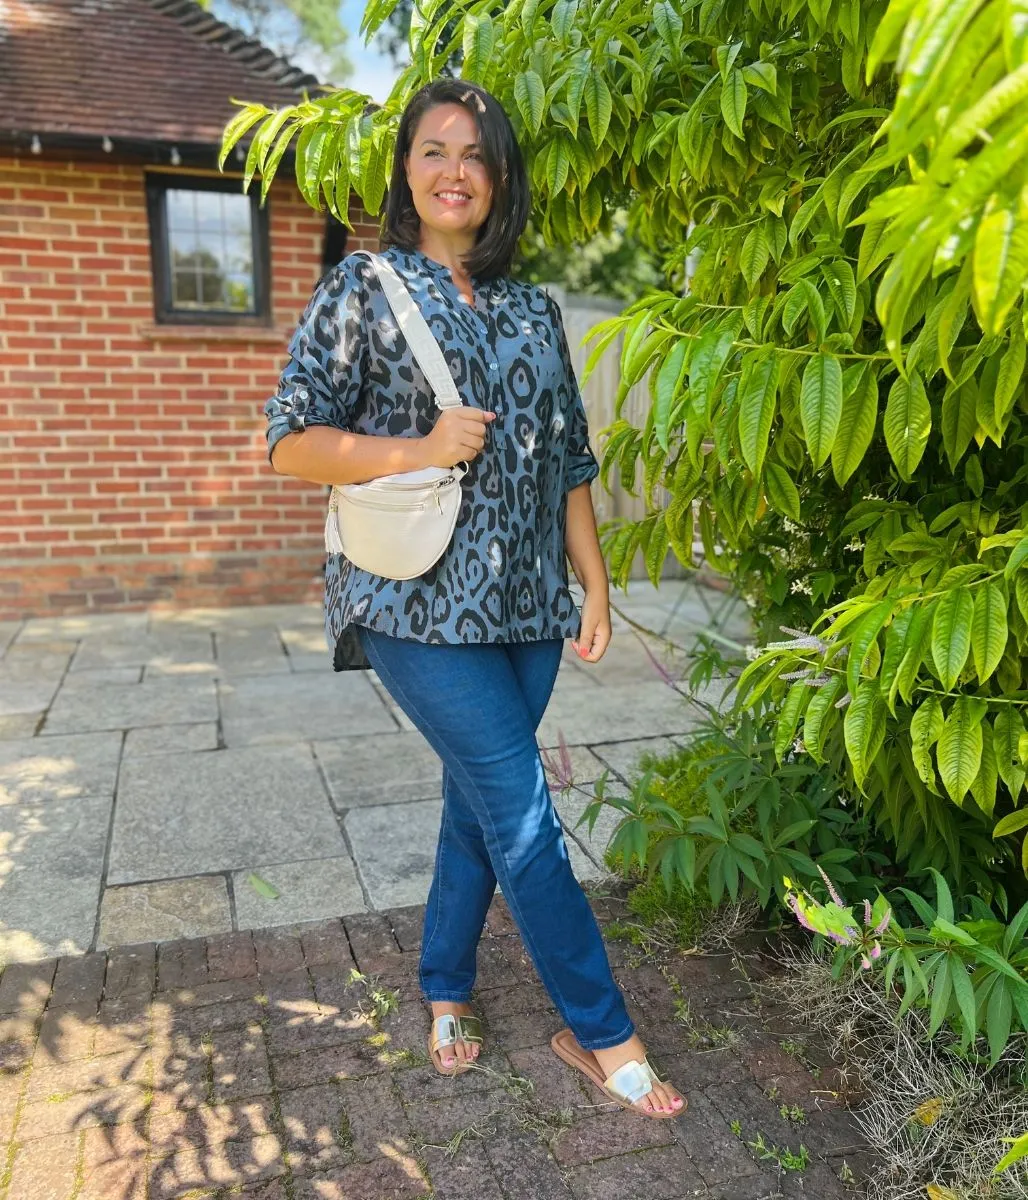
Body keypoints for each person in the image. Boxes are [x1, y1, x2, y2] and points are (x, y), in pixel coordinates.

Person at [263, 78, 685, 1119]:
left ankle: (444, 988)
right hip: (413, 604)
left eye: (475, 155)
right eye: (433, 151)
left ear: (499, 180)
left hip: (528, 608)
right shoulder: (359, 290)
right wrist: (414, 445)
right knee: (524, 813)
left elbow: (570, 463)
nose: (454, 171)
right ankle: (603, 1036)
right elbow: (289, 443)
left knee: (476, 806)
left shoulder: (535, 305)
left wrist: (593, 584)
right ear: (405, 171)